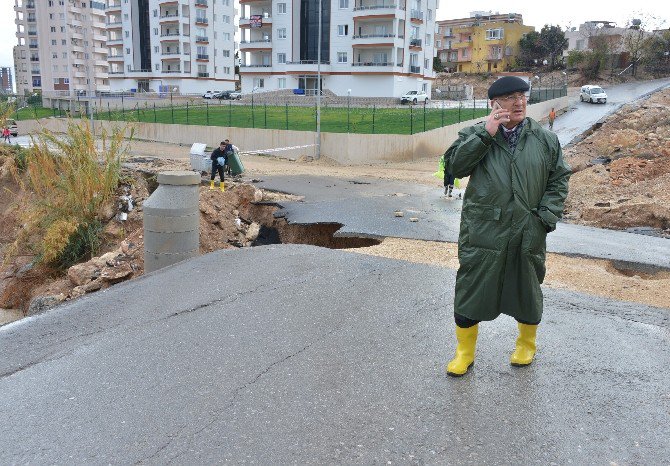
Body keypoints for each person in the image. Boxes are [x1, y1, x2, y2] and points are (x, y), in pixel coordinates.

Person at [443, 76, 571, 377]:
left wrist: (545, 218)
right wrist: (486, 134)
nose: (519, 102)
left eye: (522, 96)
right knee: (472, 288)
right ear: (494, 104)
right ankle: (464, 352)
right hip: (484, 231)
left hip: (529, 229)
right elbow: (454, 169)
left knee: (527, 287)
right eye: (511, 97)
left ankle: (526, 344)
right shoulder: (475, 134)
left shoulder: (544, 139)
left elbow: (559, 180)